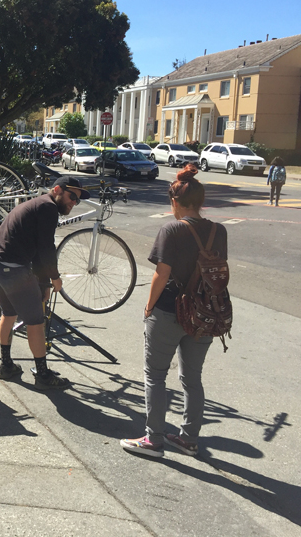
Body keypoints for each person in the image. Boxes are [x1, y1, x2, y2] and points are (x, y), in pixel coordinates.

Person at [121, 164, 227, 458]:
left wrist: (148, 306)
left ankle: (153, 440)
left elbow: (162, 273)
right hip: (204, 312)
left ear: (175, 202)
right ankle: (189, 438)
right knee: (192, 378)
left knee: (155, 375)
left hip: (169, 310)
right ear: (201, 201)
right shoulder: (219, 231)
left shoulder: (172, 228)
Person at [0, 176, 89, 390]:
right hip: (11, 269)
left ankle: (6, 366)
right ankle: (43, 375)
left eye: (77, 200)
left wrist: (44, 284)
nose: (73, 203)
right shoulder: (48, 207)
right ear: (57, 189)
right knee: (35, 322)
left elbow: (38, 252)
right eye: (71, 196)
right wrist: (55, 278)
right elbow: (46, 248)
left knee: (9, 314)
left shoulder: (38, 205)